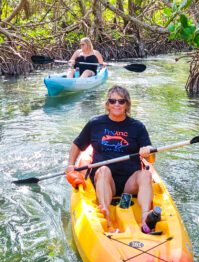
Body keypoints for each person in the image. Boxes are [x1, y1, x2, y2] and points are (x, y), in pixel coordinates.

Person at [65, 85, 154, 231]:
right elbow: (77, 145)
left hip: (129, 184)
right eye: (113, 101)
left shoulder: (137, 127)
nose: (117, 104)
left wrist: (148, 152)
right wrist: (70, 164)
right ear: (107, 104)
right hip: (105, 180)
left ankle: (145, 215)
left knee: (145, 174)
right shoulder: (95, 123)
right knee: (104, 170)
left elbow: (151, 159)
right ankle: (105, 211)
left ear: (127, 104)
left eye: (121, 101)